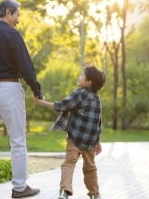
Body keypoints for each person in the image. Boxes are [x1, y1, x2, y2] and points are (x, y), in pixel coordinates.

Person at [0, 0, 42, 199]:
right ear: (7, 13)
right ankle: (19, 188)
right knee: (18, 141)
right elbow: (25, 65)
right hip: (9, 88)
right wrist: (36, 89)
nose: (18, 20)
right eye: (17, 15)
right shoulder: (12, 35)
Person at [34, 65, 105, 199]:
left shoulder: (79, 93)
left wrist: (41, 102)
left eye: (81, 75)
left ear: (88, 81)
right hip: (90, 141)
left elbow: (62, 105)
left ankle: (65, 191)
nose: (79, 77)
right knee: (90, 168)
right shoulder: (97, 98)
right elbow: (98, 122)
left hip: (75, 138)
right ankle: (95, 194)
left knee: (69, 163)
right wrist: (98, 141)